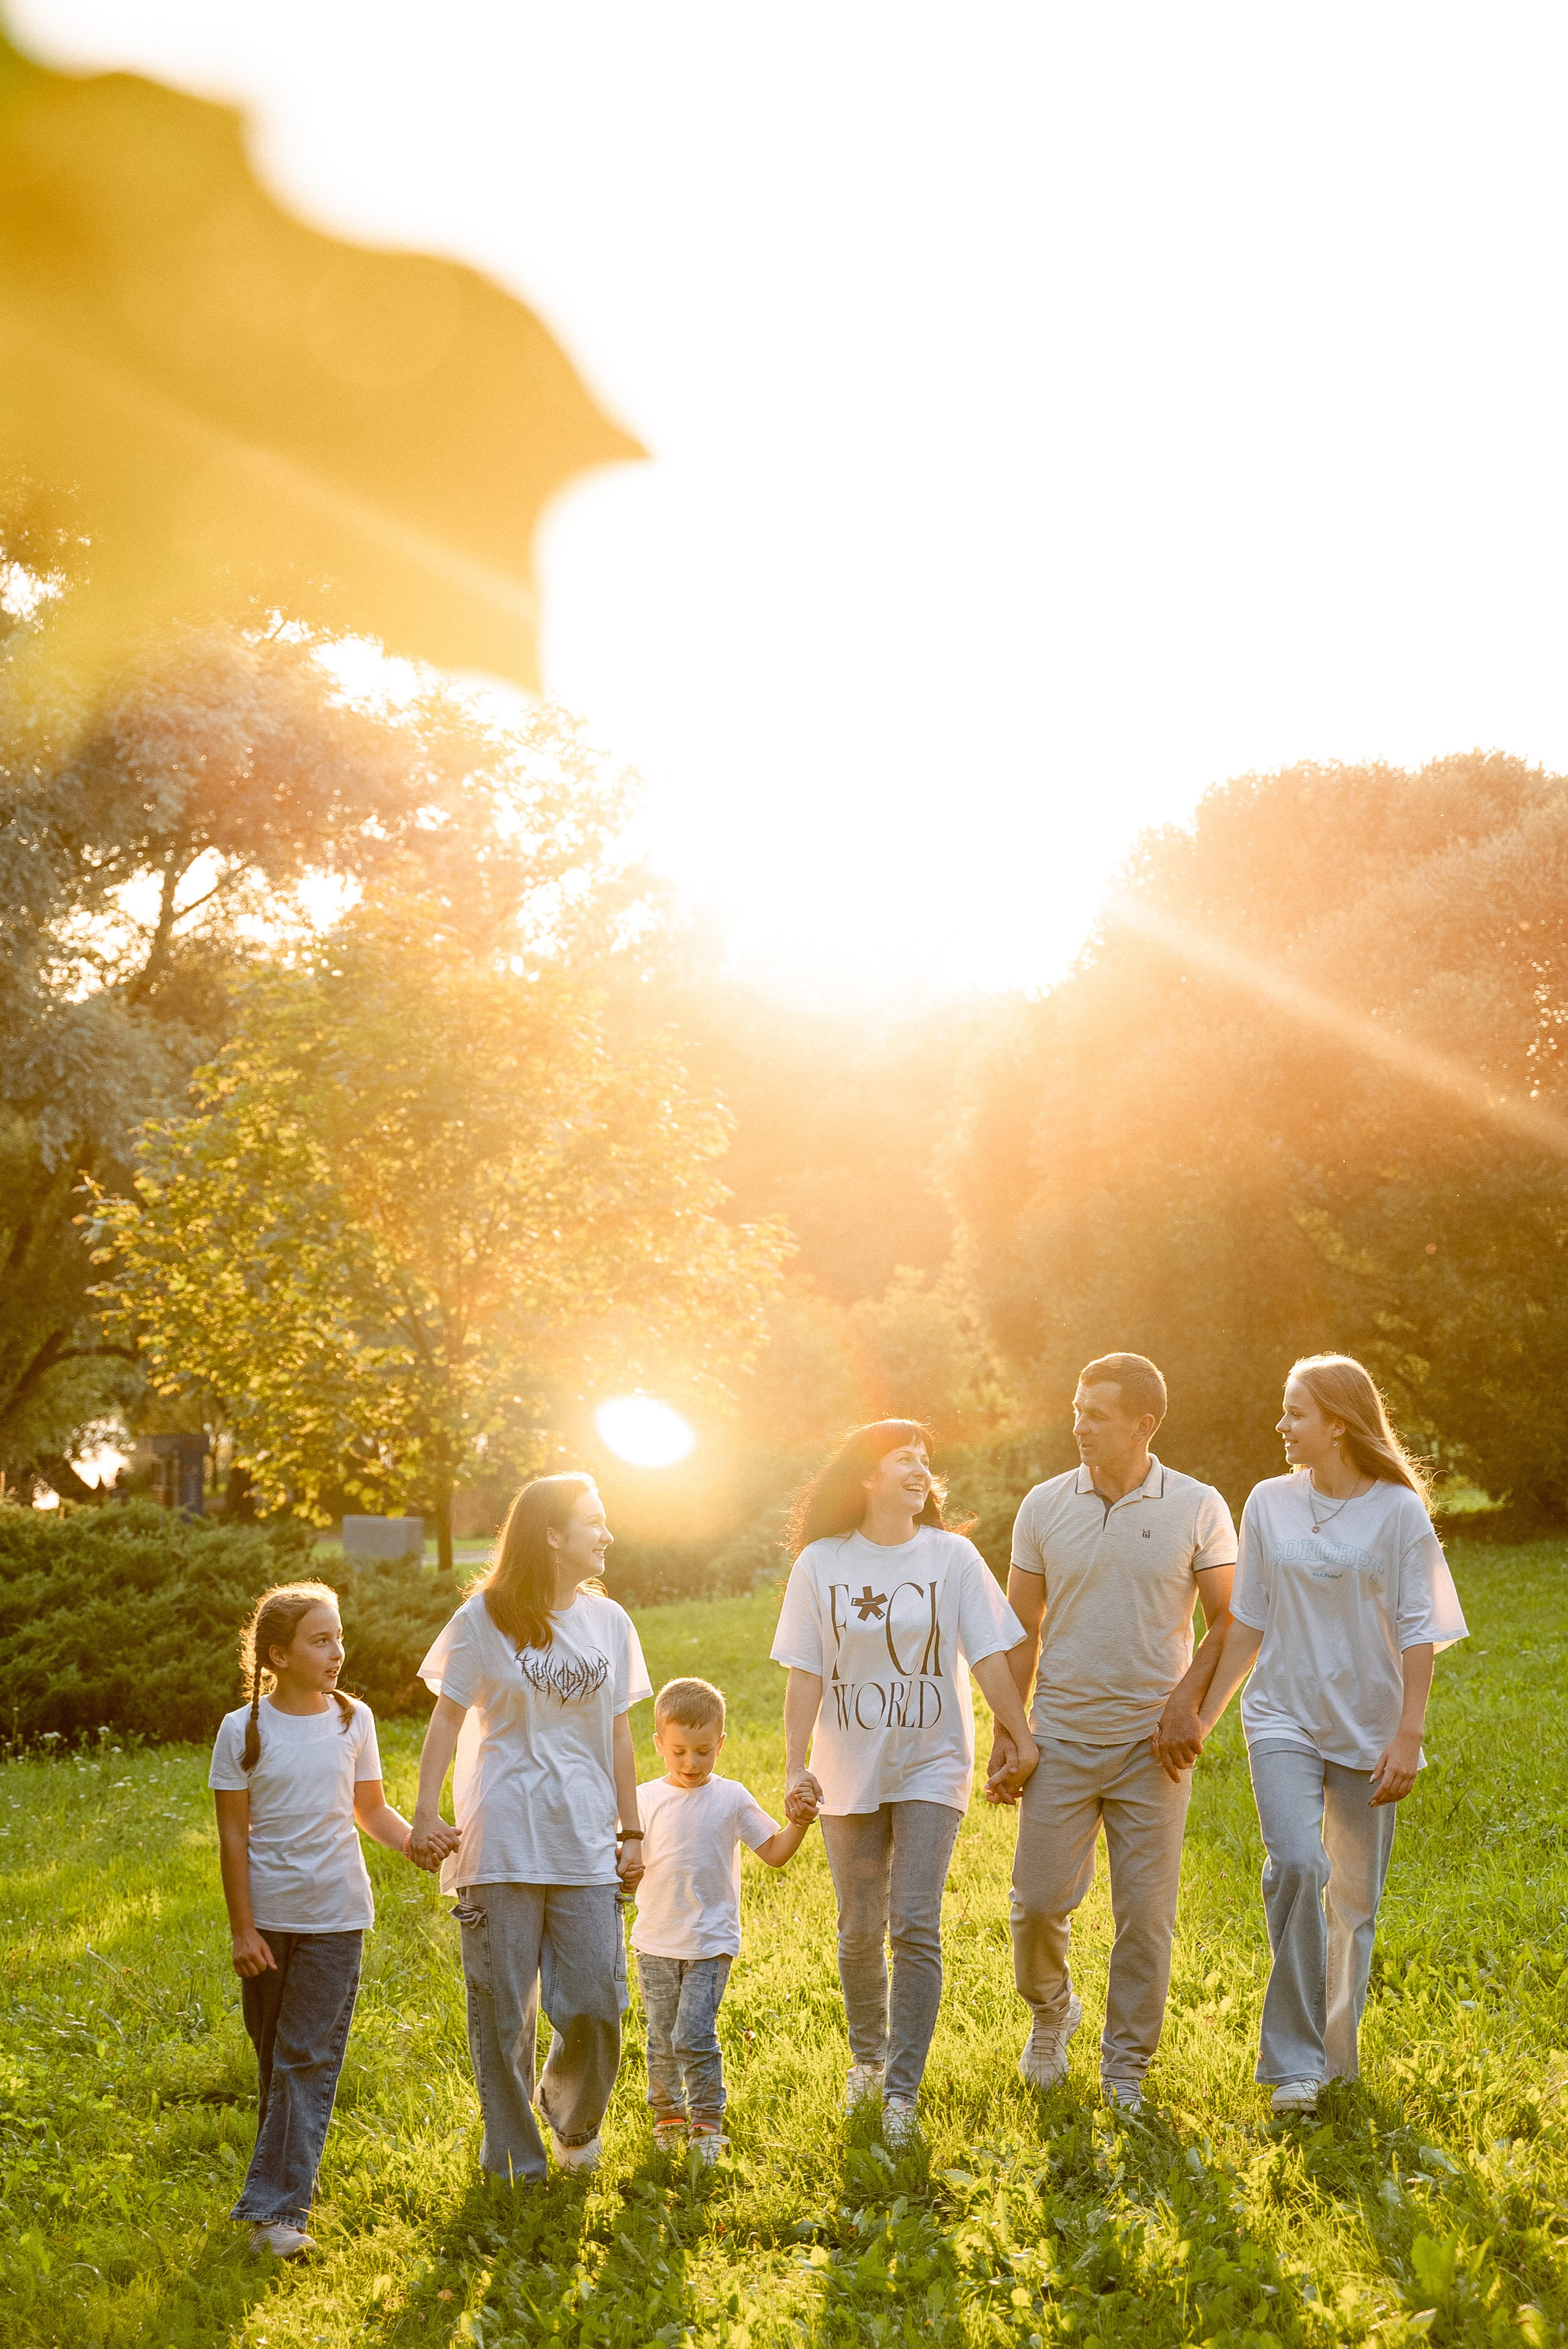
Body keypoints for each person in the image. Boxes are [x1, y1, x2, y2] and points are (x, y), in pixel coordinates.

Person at [1193, 1353, 1467, 2116]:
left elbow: (1419, 1632)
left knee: (1354, 1900)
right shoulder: (1267, 1502)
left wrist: (1408, 1737)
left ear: (1338, 1424)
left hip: (1370, 1724)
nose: (1281, 1425)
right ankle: (1293, 2066)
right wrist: (1207, 1715)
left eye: (1295, 1413)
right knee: (1297, 1864)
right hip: (1280, 1712)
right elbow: (1246, 1619)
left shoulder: (1398, 1512)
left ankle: (1335, 2057)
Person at [772, 1418, 1037, 2147]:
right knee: (859, 1928)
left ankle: (901, 2092)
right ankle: (866, 2060)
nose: (921, 1470)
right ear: (865, 1477)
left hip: (931, 1759)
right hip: (846, 1765)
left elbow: (986, 1654)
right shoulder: (820, 1565)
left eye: (926, 1460)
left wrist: (1019, 1731)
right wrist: (796, 1763)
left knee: (913, 1922)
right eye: (903, 1460)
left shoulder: (951, 1557)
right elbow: (805, 1671)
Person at [997, 1353, 1238, 2114]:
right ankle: (1050, 2013)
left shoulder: (1196, 1505)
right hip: (1060, 1739)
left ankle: (1125, 2067)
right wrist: (1012, 1732)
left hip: (1152, 1750)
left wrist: (1189, 1709)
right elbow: (1019, 1631)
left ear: (1144, 1424)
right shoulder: (1042, 1505)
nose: (1078, 1425)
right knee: (1035, 1905)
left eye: (1096, 1414)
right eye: (1076, 1409)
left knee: (1145, 1918)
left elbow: (1232, 1619)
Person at [410, 1474, 651, 2182]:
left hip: (584, 1840)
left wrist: (632, 1830)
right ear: (551, 1534)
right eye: (593, 1522)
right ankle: (514, 2160)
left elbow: (619, 1734)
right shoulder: (481, 1619)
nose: (606, 1535)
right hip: (501, 1839)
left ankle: (571, 2117)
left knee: (597, 2004)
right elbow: (445, 1720)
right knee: (502, 2014)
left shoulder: (611, 1623)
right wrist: (427, 1812)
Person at [210, 1578, 451, 2260]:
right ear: (280, 1656)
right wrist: (242, 1928)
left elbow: (370, 1810)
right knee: (274, 2061)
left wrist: (415, 1843)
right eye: (321, 1640)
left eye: (339, 1637)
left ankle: (278, 2215)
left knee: (305, 2058)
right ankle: (275, 2200)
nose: (337, 1651)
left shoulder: (354, 1720)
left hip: (337, 1915)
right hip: (269, 1922)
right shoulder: (243, 1731)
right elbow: (232, 1837)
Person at [631, 1676, 814, 2163]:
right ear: (659, 1745)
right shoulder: (643, 1800)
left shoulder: (731, 1798)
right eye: (679, 1752)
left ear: (721, 1744)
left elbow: (774, 1853)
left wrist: (798, 1823)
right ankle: (668, 2114)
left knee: (693, 2033)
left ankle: (708, 2123)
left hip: (711, 1944)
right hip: (655, 1942)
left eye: (703, 1752)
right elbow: (620, 1865)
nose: (691, 1763)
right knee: (661, 2037)